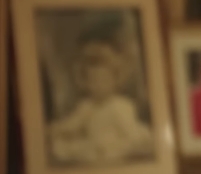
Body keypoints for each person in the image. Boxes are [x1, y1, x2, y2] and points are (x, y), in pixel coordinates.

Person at [49, 36, 154, 165]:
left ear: (115, 80)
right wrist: (58, 129)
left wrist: (136, 142)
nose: (99, 86)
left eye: (104, 80)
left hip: (117, 145)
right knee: (67, 147)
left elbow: (131, 132)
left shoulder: (120, 105)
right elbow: (72, 124)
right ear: (85, 82)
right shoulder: (86, 106)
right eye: (93, 81)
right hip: (93, 146)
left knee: (123, 147)